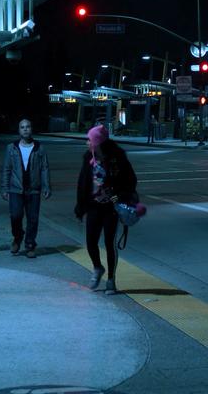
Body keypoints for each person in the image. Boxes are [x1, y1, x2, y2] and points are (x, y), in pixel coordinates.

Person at [74, 125, 137, 295]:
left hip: (111, 208)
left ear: (98, 142)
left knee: (110, 244)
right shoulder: (88, 157)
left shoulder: (118, 158)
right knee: (90, 242)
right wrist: (80, 208)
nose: (87, 143)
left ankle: (111, 280)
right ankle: (97, 268)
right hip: (93, 206)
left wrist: (120, 195)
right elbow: (82, 184)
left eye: (90, 140)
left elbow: (131, 181)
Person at [1, 119, 51, 259]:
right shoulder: (11, 148)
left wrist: (47, 186)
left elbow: (44, 168)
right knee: (15, 216)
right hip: (16, 189)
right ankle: (18, 237)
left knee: (33, 219)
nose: (25, 129)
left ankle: (30, 244)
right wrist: (5, 188)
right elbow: (7, 169)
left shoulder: (39, 147)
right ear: (19, 130)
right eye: (22, 127)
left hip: (34, 189)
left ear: (31, 129)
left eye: (28, 126)